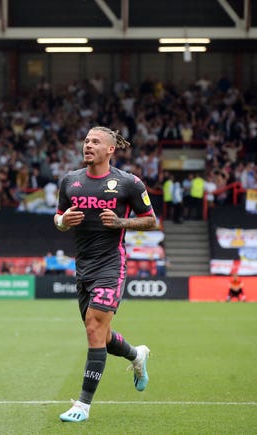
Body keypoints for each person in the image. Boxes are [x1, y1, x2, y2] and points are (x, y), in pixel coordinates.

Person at [54, 126, 158, 423]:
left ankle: (83, 405)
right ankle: (136, 355)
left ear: (111, 149)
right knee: (101, 333)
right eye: (86, 140)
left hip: (111, 264)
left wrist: (121, 222)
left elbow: (150, 221)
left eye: (95, 141)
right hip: (83, 266)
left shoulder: (128, 183)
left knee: (92, 329)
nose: (88, 145)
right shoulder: (70, 181)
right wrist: (62, 221)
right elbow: (58, 216)